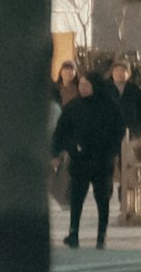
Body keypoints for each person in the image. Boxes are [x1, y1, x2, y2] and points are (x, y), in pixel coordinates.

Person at [52, 60, 129, 247]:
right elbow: (62, 130)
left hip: (102, 160)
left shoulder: (109, 107)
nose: (83, 88)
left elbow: (118, 130)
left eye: (87, 85)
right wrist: (58, 150)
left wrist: (111, 150)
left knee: (102, 198)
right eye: (81, 85)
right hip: (79, 159)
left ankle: (101, 235)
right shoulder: (73, 107)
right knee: (76, 197)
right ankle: (73, 234)